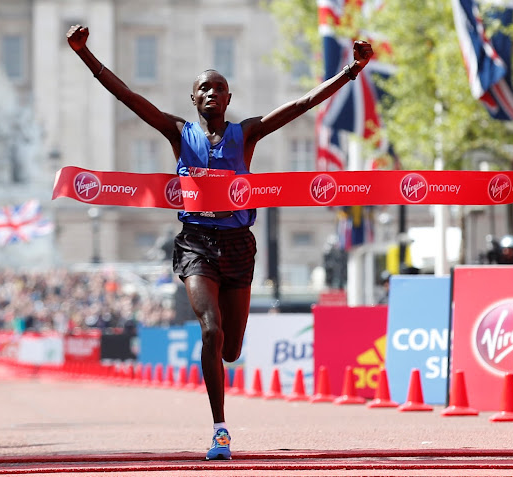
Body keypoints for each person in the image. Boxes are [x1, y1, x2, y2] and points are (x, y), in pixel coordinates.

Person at [67, 24, 373, 460]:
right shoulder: (178, 133)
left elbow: (303, 104)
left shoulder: (245, 133)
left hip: (238, 246)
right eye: (204, 89)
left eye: (220, 88)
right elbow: (130, 99)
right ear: (194, 99)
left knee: (230, 349)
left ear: (228, 99)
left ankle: (225, 366)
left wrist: (351, 70)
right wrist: (85, 53)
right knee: (210, 328)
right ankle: (220, 430)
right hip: (196, 243)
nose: (212, 93)